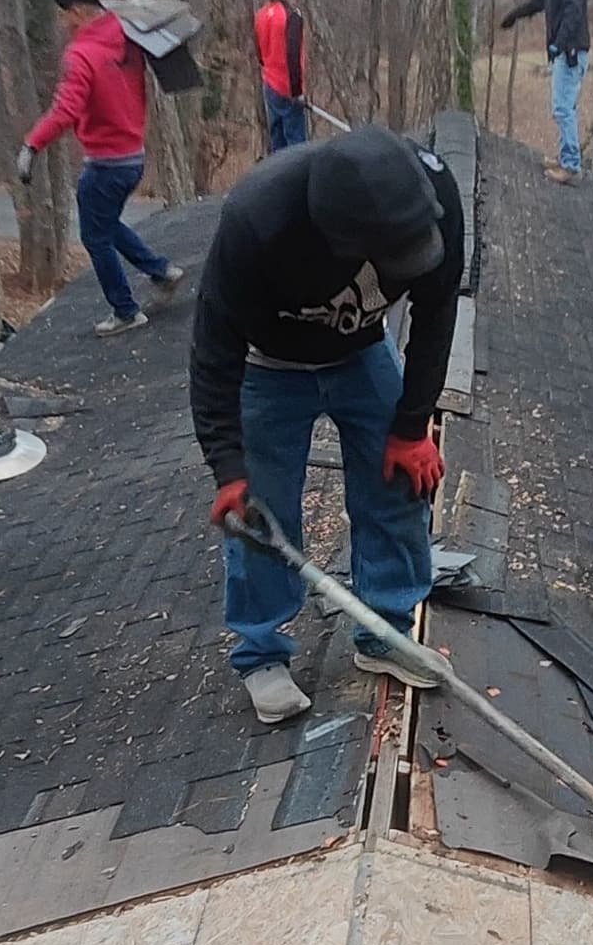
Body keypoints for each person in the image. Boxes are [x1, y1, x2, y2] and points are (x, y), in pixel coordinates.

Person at [190, 125, 464, 723]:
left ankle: (385, 632)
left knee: (399, 483)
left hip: (362, 352)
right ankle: (261, 653)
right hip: (267, 366)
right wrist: (228, 467)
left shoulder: (433, 194)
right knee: (262, 515)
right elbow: (213, 350)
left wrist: (411, 426)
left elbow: (437, 313)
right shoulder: (258, 220)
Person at [20, 0, 183, 336]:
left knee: (95, 236)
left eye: (66, 15)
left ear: (79, 11)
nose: (64, 23)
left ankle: (125, 311)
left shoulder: (81, 55)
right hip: (133, 157)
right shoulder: (128, 36)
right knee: (104, 224)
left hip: (106, 163)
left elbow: (65, 110)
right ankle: (160, 270)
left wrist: (32, 144)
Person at [496, 0, 591, 184]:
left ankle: (570, 166)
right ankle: (565, 157)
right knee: (563, 107)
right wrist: (514, 15)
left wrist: (560, 43)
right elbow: (537, 2)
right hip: (566, 51)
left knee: (563, 108)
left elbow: (574, 11)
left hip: (570, 52)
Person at [255, 0, 311, 153]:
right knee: (296, 145)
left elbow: (260, 54)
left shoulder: (261, 15)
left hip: (269, 86)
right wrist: (297, 92)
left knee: (277, 141)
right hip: (288, 89)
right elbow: (293, 58)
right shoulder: (291, 17)